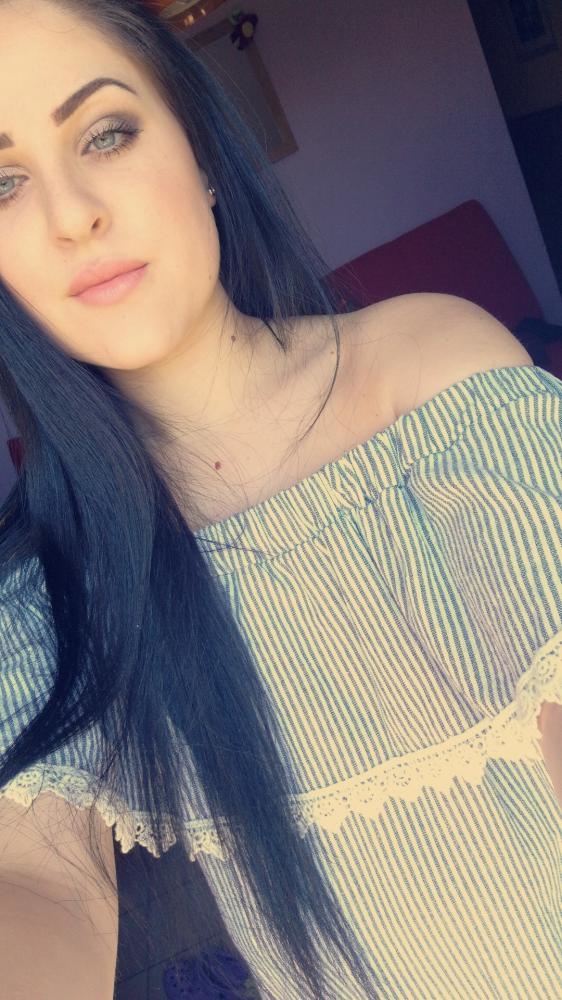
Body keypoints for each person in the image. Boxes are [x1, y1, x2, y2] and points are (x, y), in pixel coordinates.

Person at [0, 2, 560, 998]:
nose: (72, 213)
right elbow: (40, 884)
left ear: (202, 152)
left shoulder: (431, 376)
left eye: (107, 133)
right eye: (3, 184)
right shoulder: (55, 588)